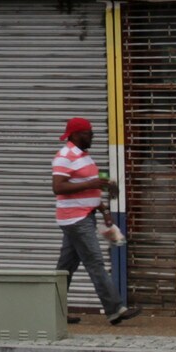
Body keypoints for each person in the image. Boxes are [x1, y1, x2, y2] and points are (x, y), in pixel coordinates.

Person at [53, 117, 138, 324]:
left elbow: (88, 186)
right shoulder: (65, 156)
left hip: (85, 215)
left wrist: (103, 209)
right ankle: (115, 309)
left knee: (65, 269)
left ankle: (52, 313)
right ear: (76, 134)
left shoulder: (85, 156)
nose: (92, 137)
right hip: (76, 219)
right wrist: (91, 183)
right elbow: (58, 187)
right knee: (95, 263)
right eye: (88, 133)